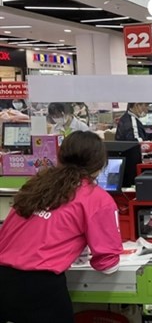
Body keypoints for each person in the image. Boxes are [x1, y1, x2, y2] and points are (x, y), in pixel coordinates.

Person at [0, 131, 122, 322]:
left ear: (60, 156)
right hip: (39, 290)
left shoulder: (35, 186)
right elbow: (107, 264)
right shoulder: (95, 197)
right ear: (99, 165)